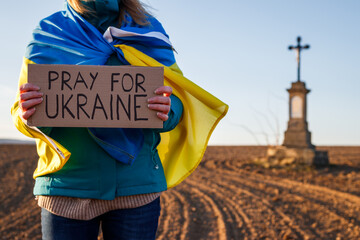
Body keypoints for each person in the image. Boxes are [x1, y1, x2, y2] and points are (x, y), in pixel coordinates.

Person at [12, 0, 228, 239]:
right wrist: (28, 113)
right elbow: (20, 109)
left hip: (135, 189)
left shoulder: (148, 28)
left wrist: (168, 110)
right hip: (66, 187)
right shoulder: (50, 30)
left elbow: (176, 97)